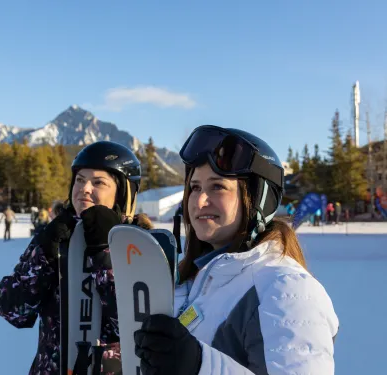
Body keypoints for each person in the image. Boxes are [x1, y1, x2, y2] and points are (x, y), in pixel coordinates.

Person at [133, 125, 339, 375]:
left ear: (259, 200)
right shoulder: (193, 280)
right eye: (195, 187)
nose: (198, 202)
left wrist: (198, 365)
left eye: (217, 187)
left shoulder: (286, 290)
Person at [0, 141, 152, 375]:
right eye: (79, 179)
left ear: (123, 193)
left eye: (98, 182)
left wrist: (104, 253)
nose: (84, 188)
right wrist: (44, 256)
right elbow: (10, 309)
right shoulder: (57, 237)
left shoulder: (141, 245)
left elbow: (138, 328)